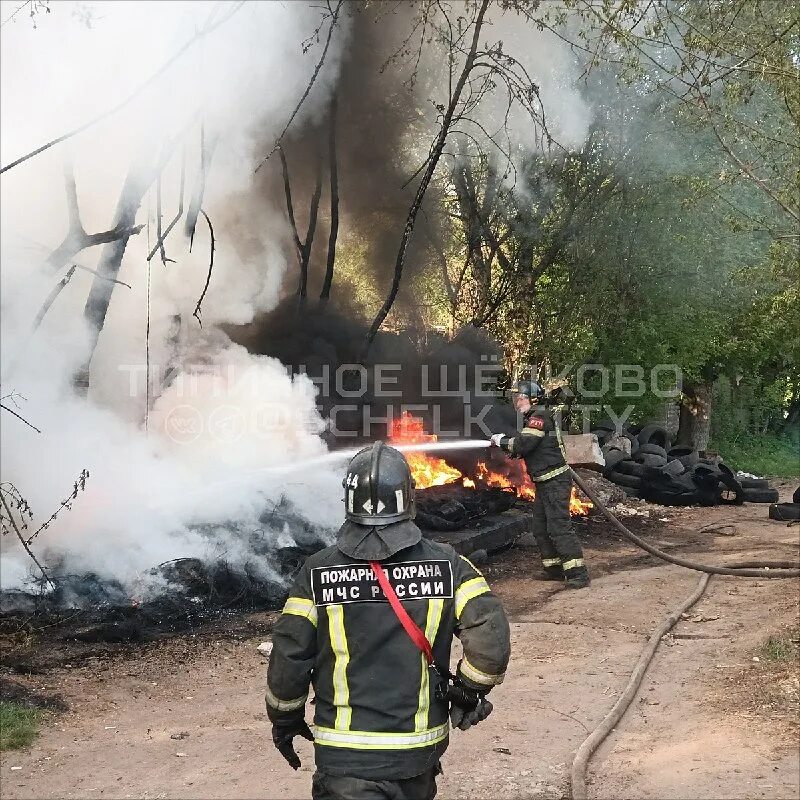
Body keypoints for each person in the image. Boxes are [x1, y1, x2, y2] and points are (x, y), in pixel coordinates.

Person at [266, 442, 511, 800]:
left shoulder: (317, 571)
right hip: (417, 755)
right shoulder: (447, 565)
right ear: (409, 498)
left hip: (345, 760)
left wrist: (284, 719)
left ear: (348, 501)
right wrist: (469, 691)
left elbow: (289, 656)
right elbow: (490, 637)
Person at [490, 380, 590, 589]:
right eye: (517, 398)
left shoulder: (539, 418)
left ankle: (578, 574)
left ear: (534, 399)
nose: (517, 402)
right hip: (545, 483)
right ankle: (553, 569)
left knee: (558, 527)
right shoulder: (534, 419)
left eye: (522, 398)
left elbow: (523, 444)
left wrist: (501, 440)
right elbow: (522, 449)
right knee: (540, 527)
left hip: (555, 482)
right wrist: (509, 447)